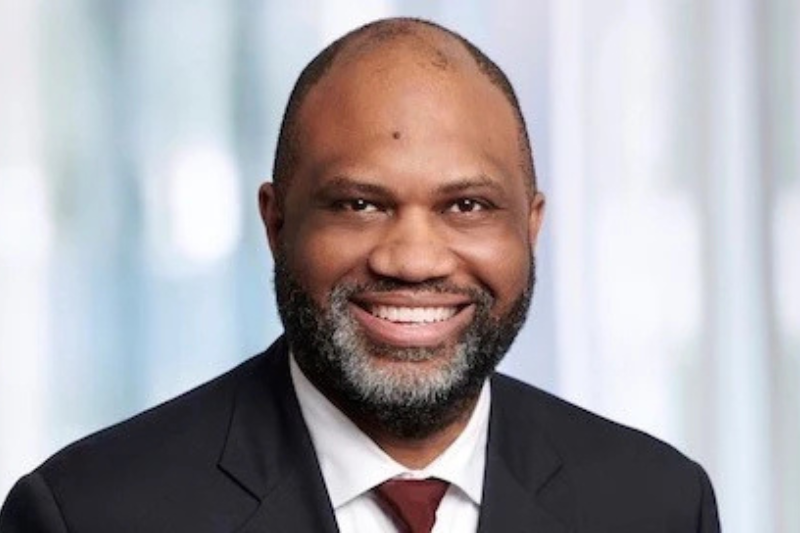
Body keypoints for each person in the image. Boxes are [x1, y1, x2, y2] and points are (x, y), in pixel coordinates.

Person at [0, 17, 720, 533]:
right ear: (276, 223)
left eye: (466, 205)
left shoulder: (658, 504)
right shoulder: (88, 513)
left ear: (530, 227)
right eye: (359, 204)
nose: (412, 260)